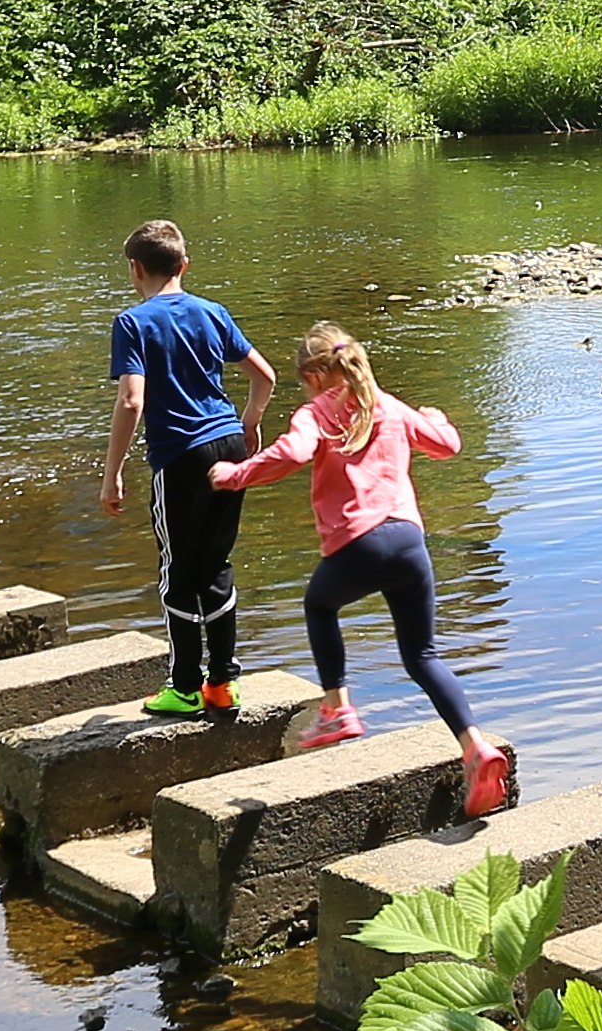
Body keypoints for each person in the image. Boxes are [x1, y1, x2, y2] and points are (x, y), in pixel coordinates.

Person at [221, 323, 518, 810]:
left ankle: (337, 708)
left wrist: (235, 476)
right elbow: (447, 446)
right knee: (422, 655)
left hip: (359, 542)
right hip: (408, 542)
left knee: (319, 605)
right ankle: (475, 746)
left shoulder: (316, 412)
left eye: (301, 380)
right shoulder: (390, 405)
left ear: (316, 376)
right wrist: (436, 418)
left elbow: (293, 453)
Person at [98, 219, 275, 714]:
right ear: (184, 265)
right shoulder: (212, 312)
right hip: (229, 447)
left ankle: (183, 687)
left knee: (177, 571)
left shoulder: (133, 322)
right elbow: (265, 376)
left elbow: (132, 401)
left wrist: (112, 472)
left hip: (181, 457)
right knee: (215, 565)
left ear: (135, 269)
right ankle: (221, 683)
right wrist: (250, 423)